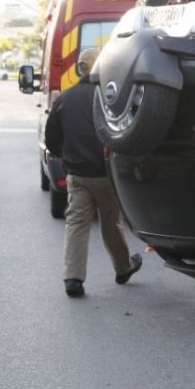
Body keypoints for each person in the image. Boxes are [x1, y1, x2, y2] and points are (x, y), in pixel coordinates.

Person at [44, 47, 142, 298]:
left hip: (77, 175)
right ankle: (123, 267)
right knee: (111, 224)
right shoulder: (112, 96)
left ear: (79, 69)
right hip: (107, 174)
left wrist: (64, 156)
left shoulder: (65, 98)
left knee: (76, 224)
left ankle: (73, 278)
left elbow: (52, 137)